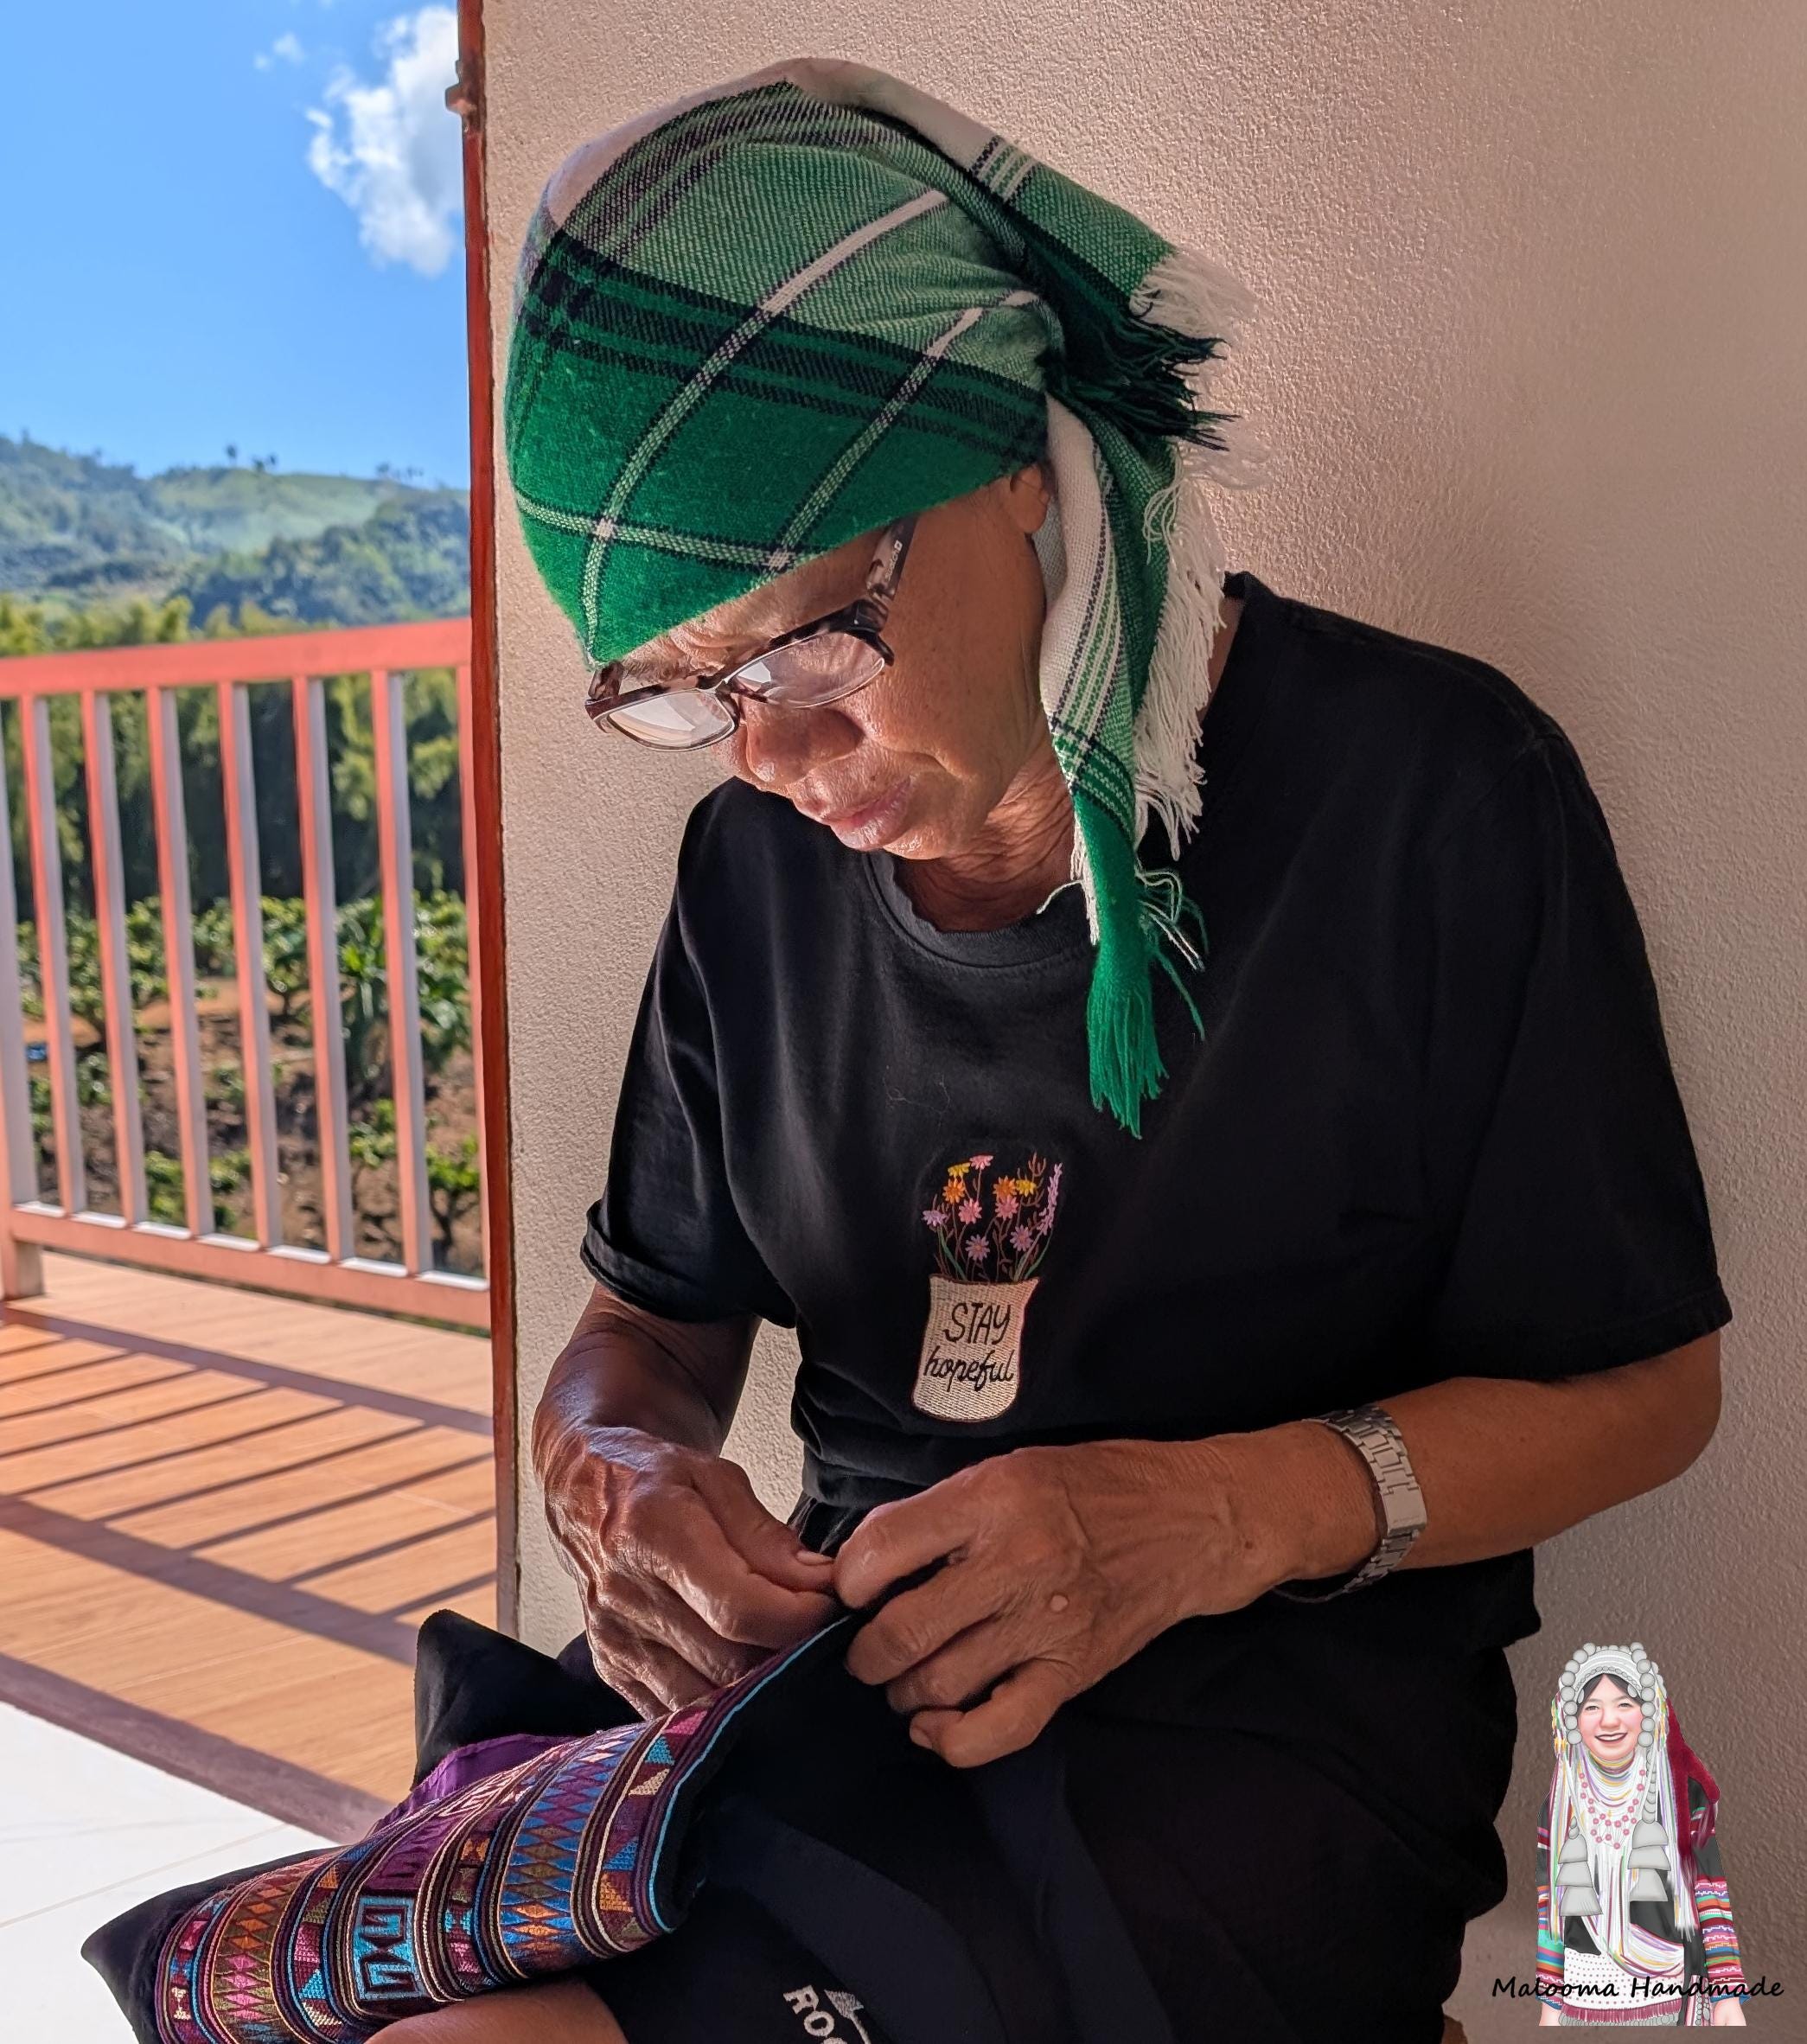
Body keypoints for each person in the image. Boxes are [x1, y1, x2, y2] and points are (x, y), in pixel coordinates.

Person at [391, 55, 1734, 2044]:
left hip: (1259, 1736)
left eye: (807, 639)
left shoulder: (1424, 798)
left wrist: (1207, 1516)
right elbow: (647, 1325)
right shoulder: (752, 880)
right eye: (685, 693)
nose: (770, 755)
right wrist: (615, 1475)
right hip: (842, 1690)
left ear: (1018, 458)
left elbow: (1643, 1387)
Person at [1536, 1644, 1750, 2026]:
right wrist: (1550, 2007)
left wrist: (1727, 1994)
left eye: (1624, 1704)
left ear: (1649, 1712)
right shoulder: (1559, 1805)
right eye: (1592, 1707)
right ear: (1572, 1720)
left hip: (1669, 1996)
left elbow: (1710, 1894)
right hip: (1583, 2000)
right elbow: (1549, 1911)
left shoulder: (1684, 1794)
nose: (1609, 1721)